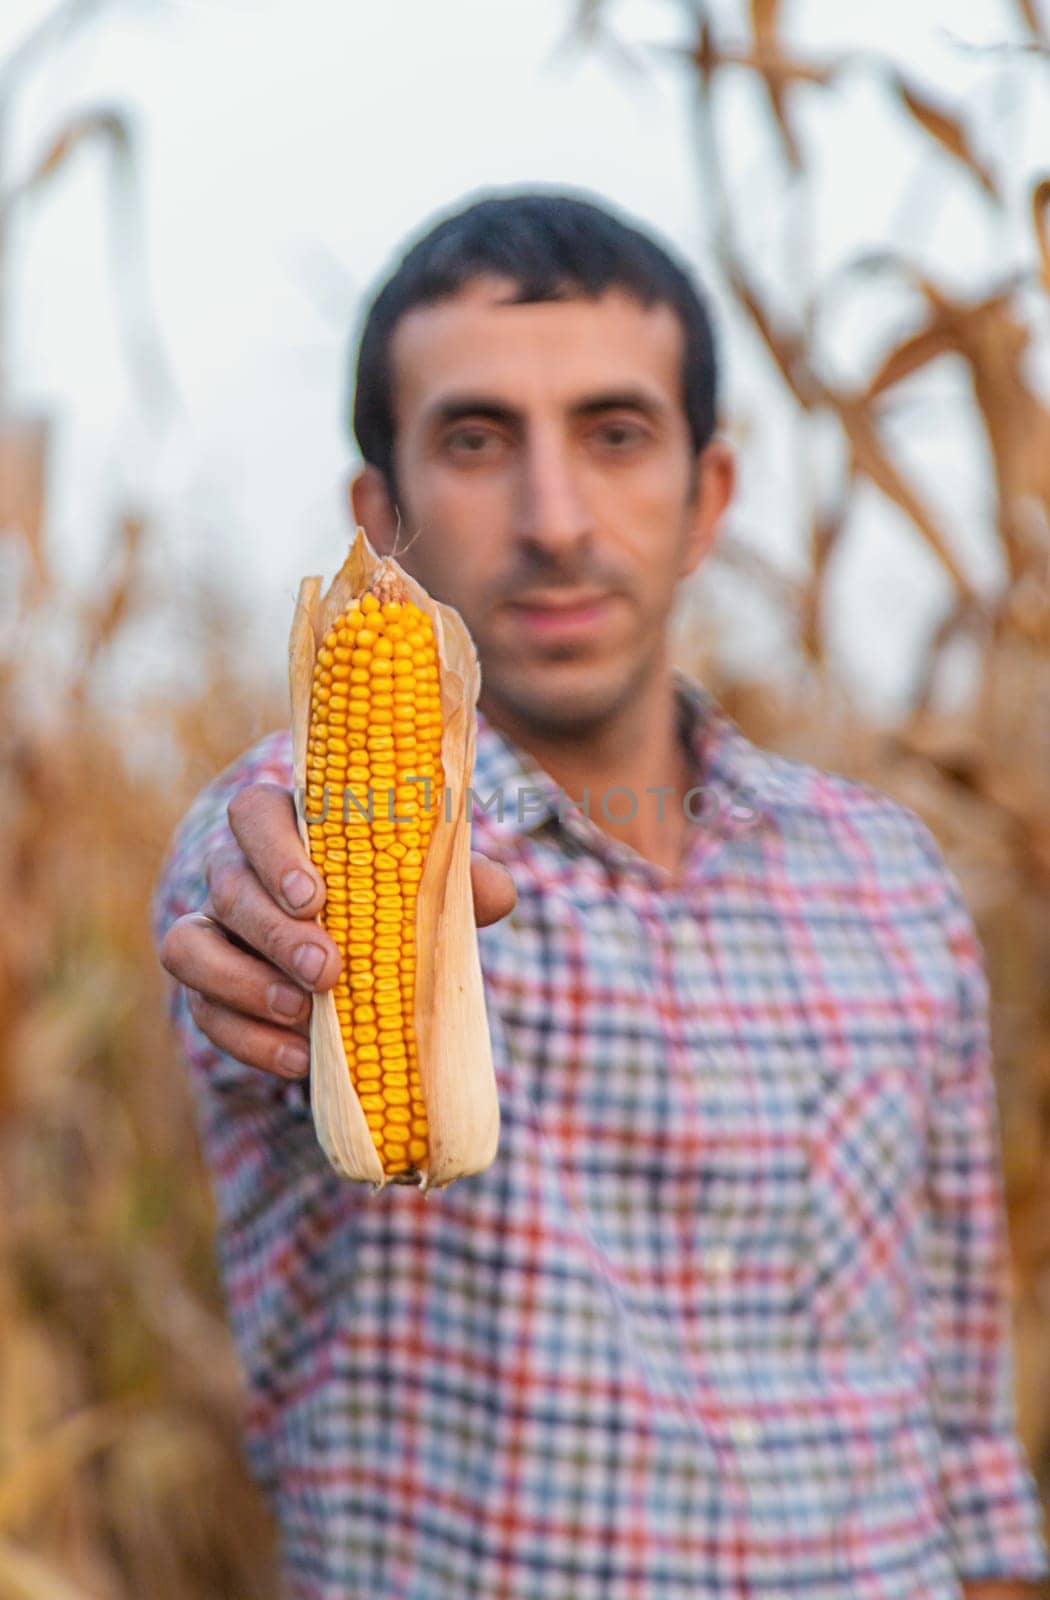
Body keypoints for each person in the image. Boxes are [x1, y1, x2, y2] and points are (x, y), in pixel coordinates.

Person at [152, 191, 1048, 1600]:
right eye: (473, 440)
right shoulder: (285, 824)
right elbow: (239, 924)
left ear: (708, 500)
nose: (554, 519)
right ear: (375, 515)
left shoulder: (889, 876)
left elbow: (961, 1421)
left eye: (615, 435)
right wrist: (275, 962)